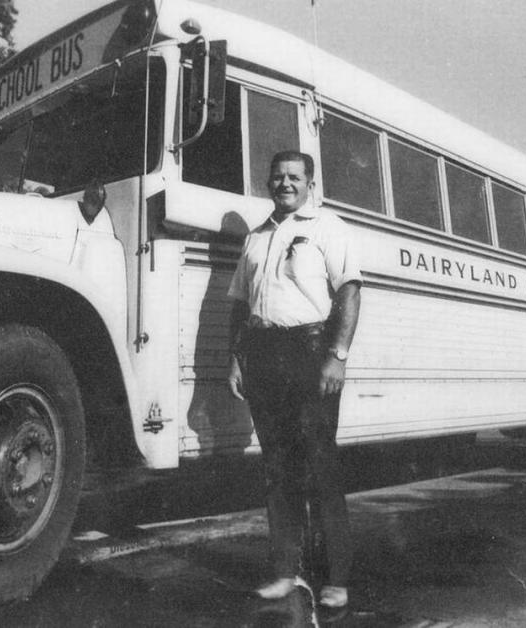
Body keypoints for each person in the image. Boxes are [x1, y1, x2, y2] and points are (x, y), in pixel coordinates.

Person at [226, 150, 362, 611]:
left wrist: (336, 357)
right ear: (268, 183)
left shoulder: (328, 227)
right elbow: (240, 306)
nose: (285, 183)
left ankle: (337, 578)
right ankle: (285, 572)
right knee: (277, 469)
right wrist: (237, 359)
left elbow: (349, 291)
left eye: (295, 177)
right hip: (263, 355)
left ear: (310, 183)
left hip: (310, 351)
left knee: (321, 465)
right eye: (278, 176)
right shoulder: (256, 237)